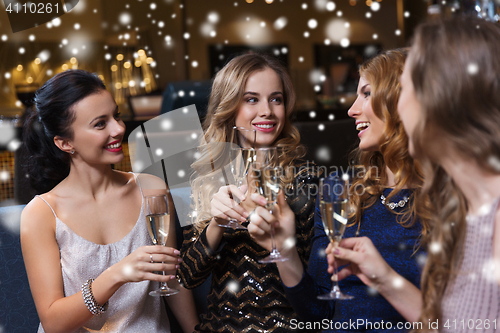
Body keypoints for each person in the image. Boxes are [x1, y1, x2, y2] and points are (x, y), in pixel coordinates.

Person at [327, 16, 500, 333]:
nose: (399, 106)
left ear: (446, 96)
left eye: (404, 87)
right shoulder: (474, 212)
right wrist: (384, 279)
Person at [247, 49, 431, 332]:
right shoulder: (339, 190)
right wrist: (284, 250)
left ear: (402, 100)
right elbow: (318, 315)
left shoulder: (451, 198)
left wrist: (385, 279)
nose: (351, 109)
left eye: (367, 93)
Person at [20, 69, 198, 333]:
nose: (119, 129)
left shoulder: (151, 189)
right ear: (65, 142)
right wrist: (118, 274)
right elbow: (53, 322)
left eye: (116, 116)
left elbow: (171, 280)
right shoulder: (42, 214)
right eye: (100, 124)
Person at [176, 53, 322, 332]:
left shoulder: (308, 181)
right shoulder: (204, 180)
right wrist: (216, 225)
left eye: (276, 99)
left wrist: (283, 238)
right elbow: (187, 277)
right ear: (229, 107)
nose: (267, 110)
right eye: (252, 99)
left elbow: (316, 287)